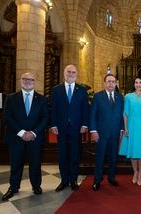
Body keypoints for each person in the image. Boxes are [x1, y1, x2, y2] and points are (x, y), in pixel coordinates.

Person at [2, 72, 48, 201]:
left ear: (34, 82)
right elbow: (7, 117)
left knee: (35, 163)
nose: (28, 81)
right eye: (25, 79)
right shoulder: (11, 98)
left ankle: (36, 186)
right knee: (15, 163)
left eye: (31, 80)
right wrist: (22, 133)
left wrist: (33, 133)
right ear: (20, 80)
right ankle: (14, 187)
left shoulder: (42, 99)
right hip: (16, 137)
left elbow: (45, 118)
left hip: (35, 137)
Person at [50, 64, 89, 192]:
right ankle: (64, 180)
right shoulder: (56, 89)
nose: (71, 74)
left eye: (73, 72)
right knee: (62, 154)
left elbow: (85, 109)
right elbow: (53, 109)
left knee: (75, 154)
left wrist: (84, 124)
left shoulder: (82, 90)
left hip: (76, 128)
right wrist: (53, 124)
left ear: (76, 74)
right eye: (69, 72)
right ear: (64, 73)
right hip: (61, 128)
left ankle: (73, 180)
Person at [90, 74, 124, 191]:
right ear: (104, 83)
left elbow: (121, 116)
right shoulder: (98, 96)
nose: (111, 84)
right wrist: (94, 130)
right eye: (108, 81)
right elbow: (93, 115)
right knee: (100, 157)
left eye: (113, 82)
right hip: (101, 133)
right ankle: (97, 180)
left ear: (116, 84)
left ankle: (111, 177)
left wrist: (121, 130)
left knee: (113, 157)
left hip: (115, 133)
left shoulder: (120, 97)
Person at [119, 77, 141, 186]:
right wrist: (125, 128)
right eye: (136, 82)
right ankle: (135, 172)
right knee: (133, 152)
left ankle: (140, 174)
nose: (138, 84)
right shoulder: (128, 97)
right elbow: (125, 113)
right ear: (133, 84)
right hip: (131, 125)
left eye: (140, 83)